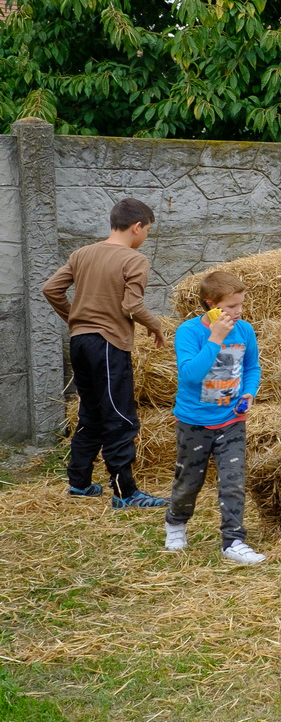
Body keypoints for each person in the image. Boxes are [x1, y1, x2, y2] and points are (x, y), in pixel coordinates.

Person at [41, 198, 168, 507]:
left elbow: (50, 289)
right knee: (119, 415)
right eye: (147, 230)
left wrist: (75, 318)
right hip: (109, 345)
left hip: (80, 343)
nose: (146, 236)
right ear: (137, 227)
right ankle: (125, 494)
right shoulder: (134, 259)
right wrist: (155, 326)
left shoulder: (82, 254)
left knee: (91, 413)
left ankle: (79, 483)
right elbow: (131, 306)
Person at [164, 271, 266, 564]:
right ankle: (175, 523)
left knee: (233, 482)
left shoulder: (244, 331)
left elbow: (252, 367)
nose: (238, 311)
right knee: (189, 481)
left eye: (241, 304)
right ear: (211, 304)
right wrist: (215, 339)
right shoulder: (189, 332)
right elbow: (190, 374)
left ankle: (233, 541)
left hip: (231, 420)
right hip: (194, 421)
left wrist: (249, 393)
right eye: (231, 306)